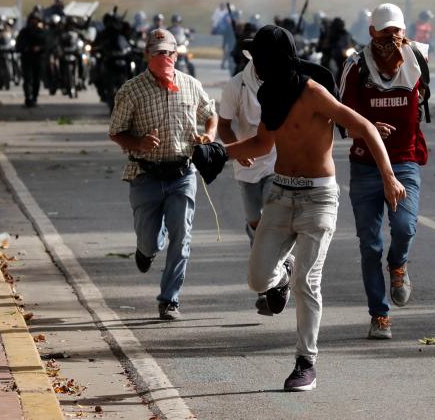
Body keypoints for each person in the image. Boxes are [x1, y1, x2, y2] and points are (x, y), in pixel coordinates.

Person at [217, 24, 406, 391]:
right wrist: (217, 152)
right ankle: (281, 274)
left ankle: (306, 362)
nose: (254, 61)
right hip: (281, 194)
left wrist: (388, 176)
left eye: (260, 55)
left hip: (318, 197)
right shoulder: (270, 95)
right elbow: (260, 144)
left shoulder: (314, 92)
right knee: (258, 279)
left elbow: (364, 126)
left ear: (276, 59)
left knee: (309, 281)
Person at [109, 27, 217, 321]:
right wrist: (139, 143)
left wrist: (208, 135)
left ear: (176, 53)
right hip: (145, 174)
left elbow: (210, 114)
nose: (163, 57)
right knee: (150, 240)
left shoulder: (190, 85)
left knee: (182, 236)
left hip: (182, 174)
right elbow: (116, 132)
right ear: (147, 55)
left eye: (168, 52)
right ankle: (146, 250)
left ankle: (170, 300)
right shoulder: (131, 90)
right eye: (157, 53)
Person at [338, 3, 429, 341]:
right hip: (365, 166)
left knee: (404, 227)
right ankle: (379, 315)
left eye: (397, 30)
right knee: (369, 245)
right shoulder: (355, 66)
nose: (392, 37)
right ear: (372, 32)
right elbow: (340, 118)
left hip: (404, 162)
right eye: (385, 31)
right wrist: (367, 128)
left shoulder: (418, 58)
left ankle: (399, 265)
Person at [217, 55, 276, 315]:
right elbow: (223, 126)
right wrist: (237, 151)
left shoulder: (282, 81)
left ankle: (271, 285)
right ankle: (265, 276)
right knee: (256, 224)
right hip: (246, 164)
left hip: (276, 161)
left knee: (274, 221)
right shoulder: (236, 85)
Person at [16, 12, 48, 107]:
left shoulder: (42, 32)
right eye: (32, 20)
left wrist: (39, 48)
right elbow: (18, 45)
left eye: (36, 20)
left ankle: (34, 97)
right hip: (27, 59)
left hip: (38, 59)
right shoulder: (24, 32)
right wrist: (26, 48)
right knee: (27, 80)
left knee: (36, 80)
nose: (34, 22)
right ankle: (28, 98)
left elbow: (46, 45)